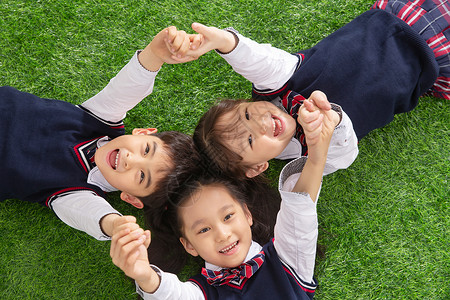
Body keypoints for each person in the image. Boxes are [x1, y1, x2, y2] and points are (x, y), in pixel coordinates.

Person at [169, 0, 449, 180]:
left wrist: (224, 41)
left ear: (243, 101)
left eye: (246, 116)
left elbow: (261, 61)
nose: (262, 123)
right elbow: (343, 156)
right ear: (257, 168)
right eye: (252, 141)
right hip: (431, 63)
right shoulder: (305, 157)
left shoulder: (279, 86)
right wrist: (329, 127)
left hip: (396, 18)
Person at [110, 95, 336, 299]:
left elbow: (299, 209)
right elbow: (174, 295)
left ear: (247, 214)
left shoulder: (287, 260)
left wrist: (318, 151)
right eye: (203, 230)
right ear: (189, 245)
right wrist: (146, 276)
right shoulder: (203, 293)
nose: (222, 234)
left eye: (228, 216)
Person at [0, 26, 202, 240]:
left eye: (142, 176)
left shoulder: (79, 192)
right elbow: (125, 89)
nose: (129, 160)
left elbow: (89, 213)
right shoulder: (100, 120)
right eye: (145, 149)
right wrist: (155, 54)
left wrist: (116, 226)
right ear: (143, 133)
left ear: (131, 198)